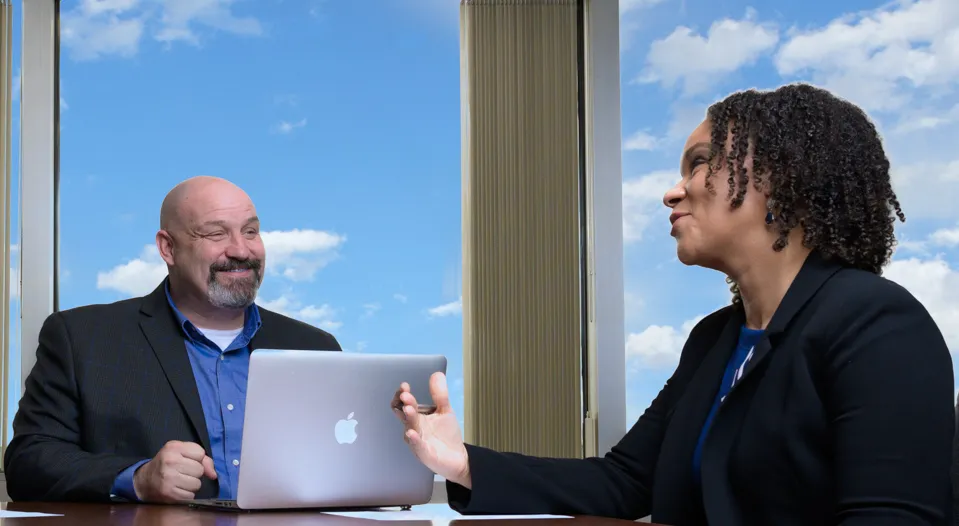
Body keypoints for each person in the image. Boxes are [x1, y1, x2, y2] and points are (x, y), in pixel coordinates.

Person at [392, 83, 956, 525]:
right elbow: (624, 482)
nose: (672, 189)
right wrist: (461, 463)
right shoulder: (715, 339)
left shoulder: (878, 324)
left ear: (783, 179)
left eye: (699, 162)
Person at [5, 176, 342, 503]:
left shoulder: (316, 347)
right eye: (216, 233)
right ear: (168, 248)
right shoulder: (83, 337)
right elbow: (30, 462)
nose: (241, 250)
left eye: (251, 231)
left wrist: (393, 440)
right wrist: (138, 478)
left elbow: (346, 464)